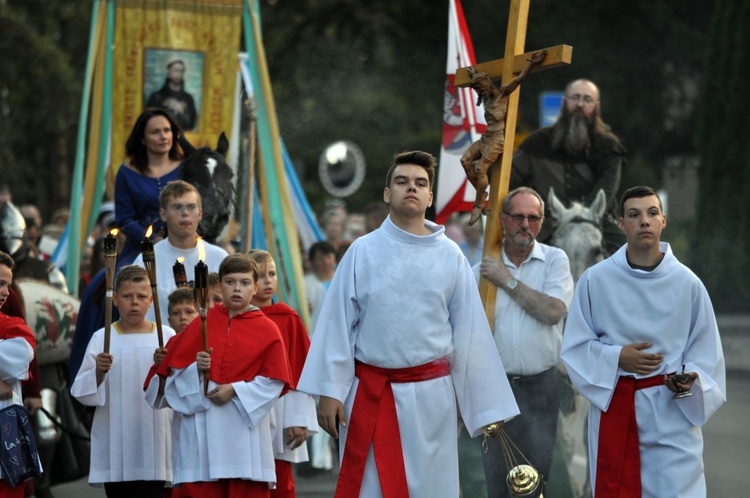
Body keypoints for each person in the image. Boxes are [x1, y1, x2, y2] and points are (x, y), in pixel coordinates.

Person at [297, 150, 520, 497]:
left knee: (432, 488)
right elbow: (337, 325)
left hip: (433, 398)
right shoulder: (362, 251)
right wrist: (330, 390)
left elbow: (469, 331)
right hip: (370, 391)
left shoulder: (451, 256)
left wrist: (478, 401)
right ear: (388, 193)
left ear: (430, 197)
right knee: (372, 488)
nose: (411, 188)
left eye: (420, 183)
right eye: (401, 182)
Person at [561, 186, 725, 498]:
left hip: (671, 415)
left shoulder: (688, 283)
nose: (644, 221)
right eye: (634, 215)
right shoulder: (596, 280)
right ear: (621, 224)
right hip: (617, 406)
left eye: (652, 213)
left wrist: (691, 381)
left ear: (664, 220)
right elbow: (574, 348)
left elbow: (706, 353)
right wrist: (616, 358)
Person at [154, 254, 292, 496]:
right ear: (220, 286)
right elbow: (170, 377)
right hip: (201, 437)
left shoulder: (267, 329)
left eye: (244, 283)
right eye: (230, 282)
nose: (237, 289)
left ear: (255, 287)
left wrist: (235, 390)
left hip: (243, 438)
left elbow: (274, 382)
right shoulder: (201, 324)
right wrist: (195, 369)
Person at [476, 187, 574, 498]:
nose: (525, 224)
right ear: (503, 219)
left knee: (535, 479)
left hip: (540, 389)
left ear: (542, 222)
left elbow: (553, 311)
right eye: (517, 216)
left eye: (533, 217)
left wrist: (506, 279)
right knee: (495, 478)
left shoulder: (554, 260)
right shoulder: (480, 270)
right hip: (495, 388)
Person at [71, 265, 175, 497]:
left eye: (141, 297)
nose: (134, 302)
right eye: (128, 296)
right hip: (116, 436)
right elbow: (80, 390)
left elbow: (181, 387)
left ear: (152, 300)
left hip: (155, 435)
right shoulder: (103, 338)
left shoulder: (165, 337)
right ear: (115, 299)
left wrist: (166, 365)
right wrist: (98, 371)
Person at [511, 78, 627, 255]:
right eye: (575, 98)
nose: (580, 104)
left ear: (597, 106)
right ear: (565, 102)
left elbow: (606, 188)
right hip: (545, 224)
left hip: (596, 221)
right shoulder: (537, 143)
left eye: (587, 99)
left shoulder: (609, 147)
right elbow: (509, 180)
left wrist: (583, 216)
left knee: (630, 256)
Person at [248, 250, 318, 498]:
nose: (268, 281)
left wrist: (297, 418)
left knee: (280, 481)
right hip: (244, 408)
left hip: (280, 406)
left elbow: (300, 370)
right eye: (259, 276)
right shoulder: (237, 318)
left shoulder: (288, 319)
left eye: (272, 274)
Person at [460, 50, 546, 225]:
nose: (481, 91)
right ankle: (481, 193)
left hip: (497, 139)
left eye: (482, 87)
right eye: (478, 90)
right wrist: (474, 75)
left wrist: (531, 64)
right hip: (486, 137)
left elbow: (518, 79)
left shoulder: (502, 94)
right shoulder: (488, 100)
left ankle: (478, 205)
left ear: (488, 83)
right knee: (465, 160)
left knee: (481, 169)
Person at [133, 180, 228, 323]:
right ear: (163, 214)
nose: (185, 213)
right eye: (177, 207)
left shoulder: (220, 258)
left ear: (200, 213)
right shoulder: (146, 260)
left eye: (191, 207)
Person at [115, 108, 185, 265]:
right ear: (142, 139)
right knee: (119, 281)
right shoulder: (126, 172)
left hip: (183, 246)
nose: (163, 136)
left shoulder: (187, 168)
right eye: (155, 132)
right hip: (139, 248)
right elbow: (124, 218)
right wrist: (152, 240)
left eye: (167, 130)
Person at [0, 251, 40, 498]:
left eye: (7, 284)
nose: (6, 292)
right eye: (0, 284)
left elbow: (22, 353)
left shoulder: (13, 327)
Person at [147, 60, 198, 131]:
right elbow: (149, 123)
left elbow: (191, 125)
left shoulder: (188, 99)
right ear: (168, 73)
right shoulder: (156, 97)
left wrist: (182, 112)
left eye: (181, 71)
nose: (178, 74)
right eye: (176, 70)